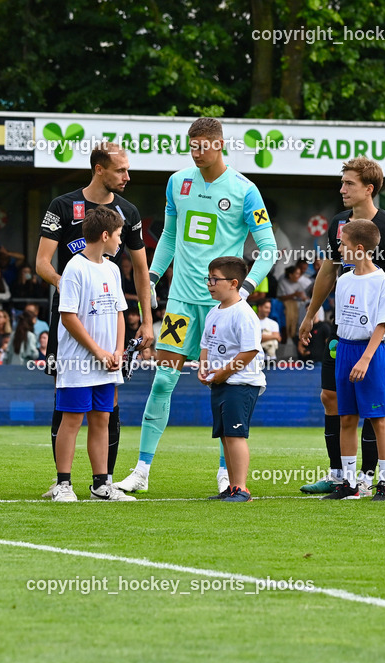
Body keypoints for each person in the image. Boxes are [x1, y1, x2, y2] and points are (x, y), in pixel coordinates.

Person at [116, 117, 278, 494]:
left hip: (223, 308)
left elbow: (268, 248)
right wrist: (153, 278)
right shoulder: (178, 182)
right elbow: (170, 235)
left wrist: (248, 288)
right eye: (192, 145)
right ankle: (141, 470)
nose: (197, 151)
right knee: (163, 380)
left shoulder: (245, 190)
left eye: (204, 145)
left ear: (220, 145)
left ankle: (227, 474)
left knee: (226, 386)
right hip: (182, 302)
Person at [35, 141, 152, 495]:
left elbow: (141, 271)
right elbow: (42, 262)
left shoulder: (128, 213)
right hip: (73, 328)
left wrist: (147, 321)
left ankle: (104, 481)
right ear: (99, 169)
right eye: (120, 170)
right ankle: (63, 482)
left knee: (105, 410)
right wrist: (72, 287)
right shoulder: (63, 206)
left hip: (108, 329)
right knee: (68, 405)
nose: (127, 177)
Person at [299, 157, 385, 496]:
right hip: (343, 332)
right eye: (342, 182)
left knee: (373, 407)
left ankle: (371, 477)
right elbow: (328, 272)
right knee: (331, 397)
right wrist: (310, 314)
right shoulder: (338, 225)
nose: (342, 189)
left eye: (349, 183)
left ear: (369, 188)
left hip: (375, 338)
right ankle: (340, 475)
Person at [49, 206, 134, 502]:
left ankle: (101, 484)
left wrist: (118, 351)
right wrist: (98, 351)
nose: (121, 241)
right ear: (105, 235)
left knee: (102, 419)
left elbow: (120, 313)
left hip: (108, 363)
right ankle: (63, 484)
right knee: (71, 420)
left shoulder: (111, 268)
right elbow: (68, 317)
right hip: (78, 362)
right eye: (119, 235)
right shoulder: (75, 267)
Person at [320, 219, 385, 501]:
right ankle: (349, 484)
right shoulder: (344, 279)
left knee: (378, 418)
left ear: (360, 248)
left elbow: (382, 324)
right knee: (347, 417)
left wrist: (365, 358)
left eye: (343, 243)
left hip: (372, 353)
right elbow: (343, 321)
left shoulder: (382, 281)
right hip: (345, 349)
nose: (339, 248)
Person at [198, 257, 266, 502]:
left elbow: (249, 351)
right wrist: (203, 368)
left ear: (234, 283)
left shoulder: (243, 313)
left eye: (215, 279)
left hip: (240, 384)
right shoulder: (213, 312)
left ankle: (241, 488)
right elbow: (205, 344)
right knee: (226, 435)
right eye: (209, 278)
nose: (210, 284)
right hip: (220, 383)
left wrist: (223, 373)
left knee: (236, 435)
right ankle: (232, 487)